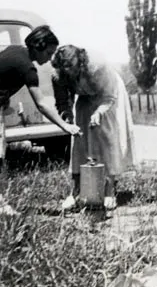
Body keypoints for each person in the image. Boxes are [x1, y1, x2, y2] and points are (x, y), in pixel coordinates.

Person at [0, 25, 81, 214]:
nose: (50, 58)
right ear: (38, 46)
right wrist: (64, 126)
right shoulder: (28, 67)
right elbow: (41, 104)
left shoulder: (15, 51)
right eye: (49, 52)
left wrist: (3, 97)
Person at [50, 44, 137, 211]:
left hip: (108, 95)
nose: (68, 71)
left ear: (80, 61)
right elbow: (62, 102)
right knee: (79, 138)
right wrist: (68, 121)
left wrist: (98, 113)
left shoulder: (98, 67)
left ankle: (109, 191)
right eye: (64, 68)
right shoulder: (58, 75)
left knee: (107, 137)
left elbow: (109, 96)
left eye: (71, 67)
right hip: (84, 97)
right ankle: (75, 192)